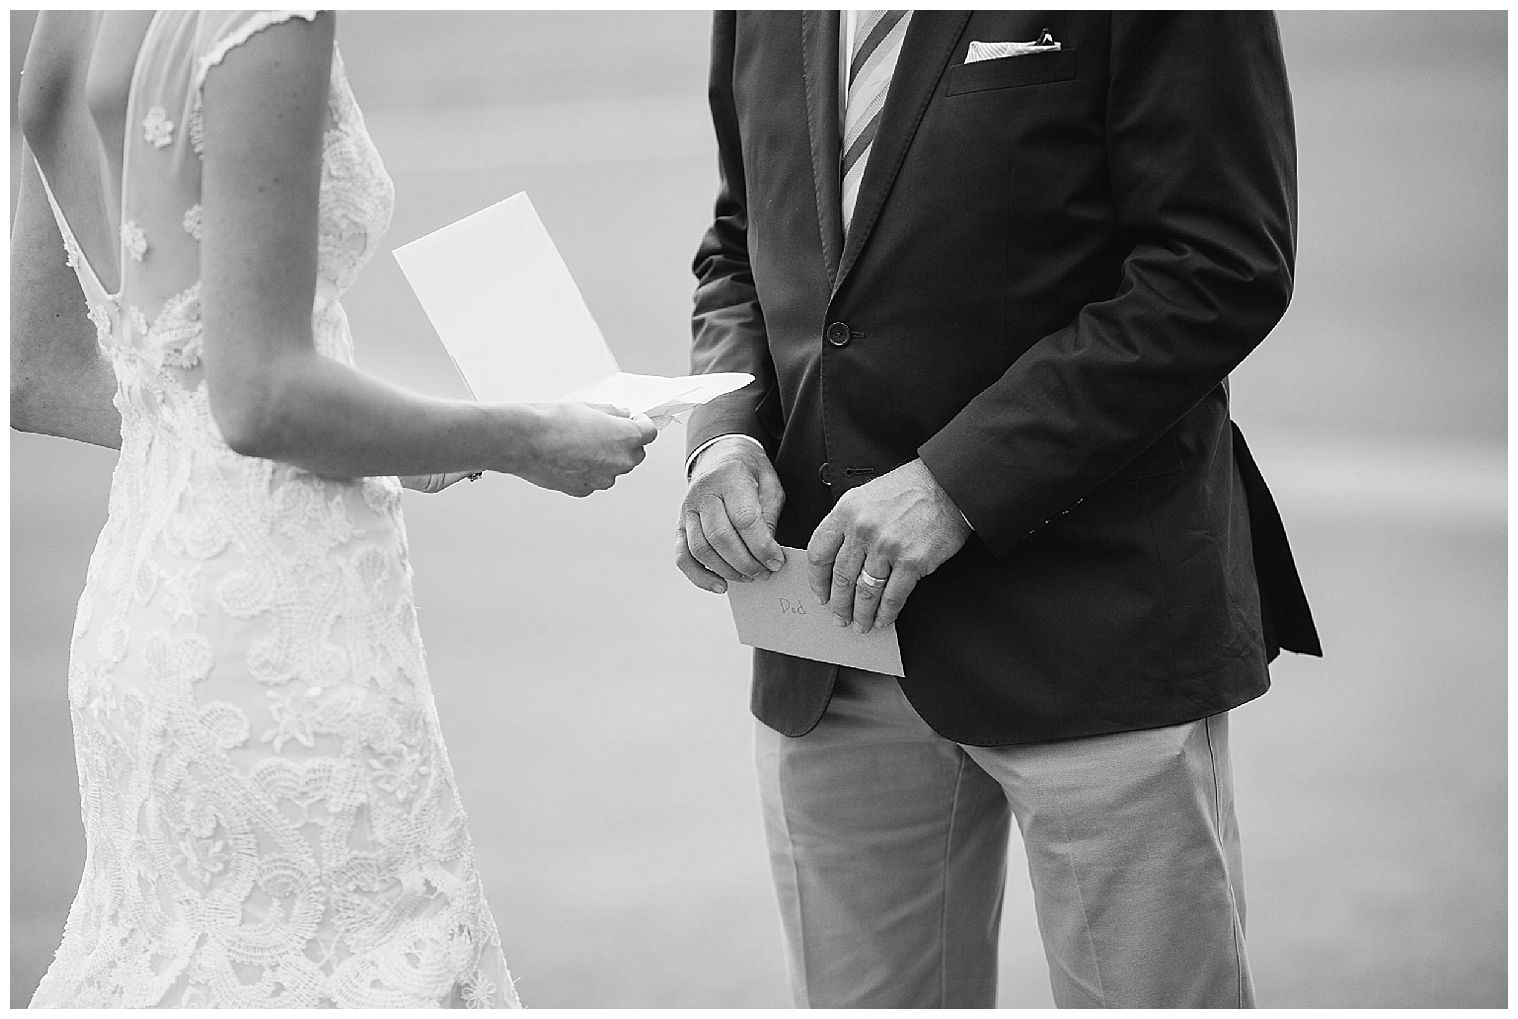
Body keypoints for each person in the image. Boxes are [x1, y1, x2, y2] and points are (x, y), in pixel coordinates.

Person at [675, 11, 1322, 1009]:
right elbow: (736, 244)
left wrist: (955, 483)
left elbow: (1217, 265)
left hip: (1097, 628)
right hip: (834, 642)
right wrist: (722, 432)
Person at [12, 10, 656, 1008]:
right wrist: (522, 436)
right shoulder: (271, 16)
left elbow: (41, 373)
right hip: (281, 638)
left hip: (141, 617)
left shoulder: (51, 18)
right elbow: (263, 396)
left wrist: (384, 441)